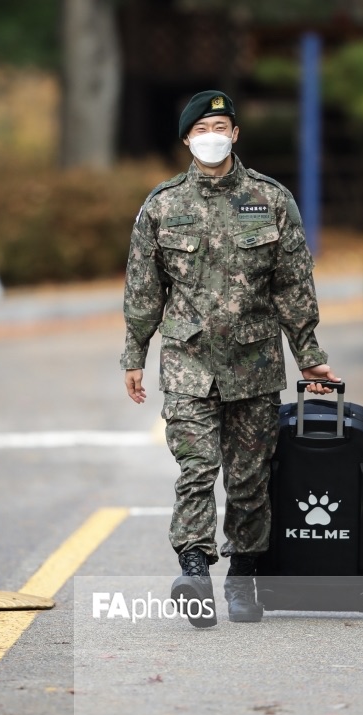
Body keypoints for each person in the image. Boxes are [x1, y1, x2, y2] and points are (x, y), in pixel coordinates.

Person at [121, 90, 340, 627]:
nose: (212, 135)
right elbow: (143, 289)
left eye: (220, 125)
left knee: (248, 481)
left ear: (236, 134)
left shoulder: (270, 200)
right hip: (188, 363)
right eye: (201, 129)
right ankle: (194, 570)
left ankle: (242, 577)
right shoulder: (163, 206)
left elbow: (294, 285)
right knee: (197, 469)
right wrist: (134, 353)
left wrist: (309, 356)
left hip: (255, 365)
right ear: (187, 140)